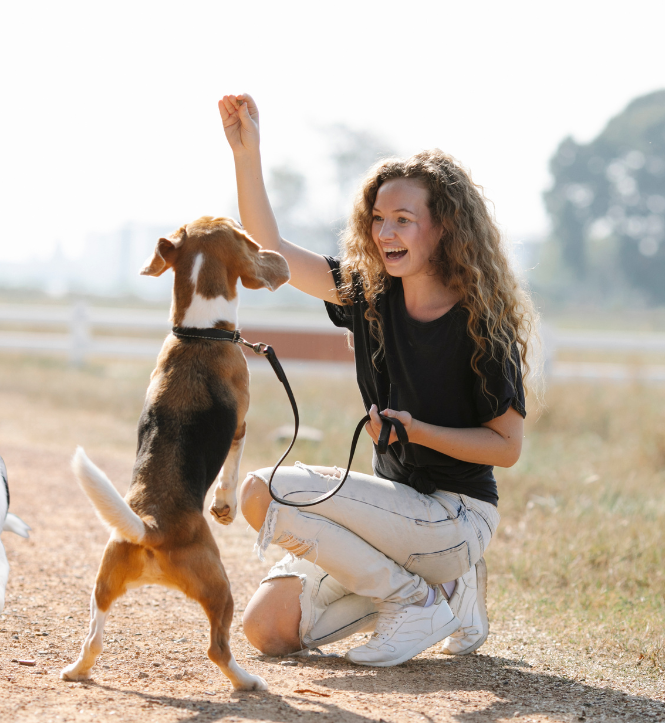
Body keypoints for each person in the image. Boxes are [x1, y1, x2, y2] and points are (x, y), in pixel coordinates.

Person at [218, 93, 538, 667]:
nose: (386, 232)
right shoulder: (368, 296)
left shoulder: (482, 324)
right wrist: (248, 154)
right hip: (392, 516)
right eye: (378, 219)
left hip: (455, 517)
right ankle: (445, 596)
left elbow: (507, 448)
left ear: (443, 230)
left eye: (404, 220)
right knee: (267, 630)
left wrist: (418, 430)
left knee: (261, 490)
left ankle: (417, 598)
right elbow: (273, 251)